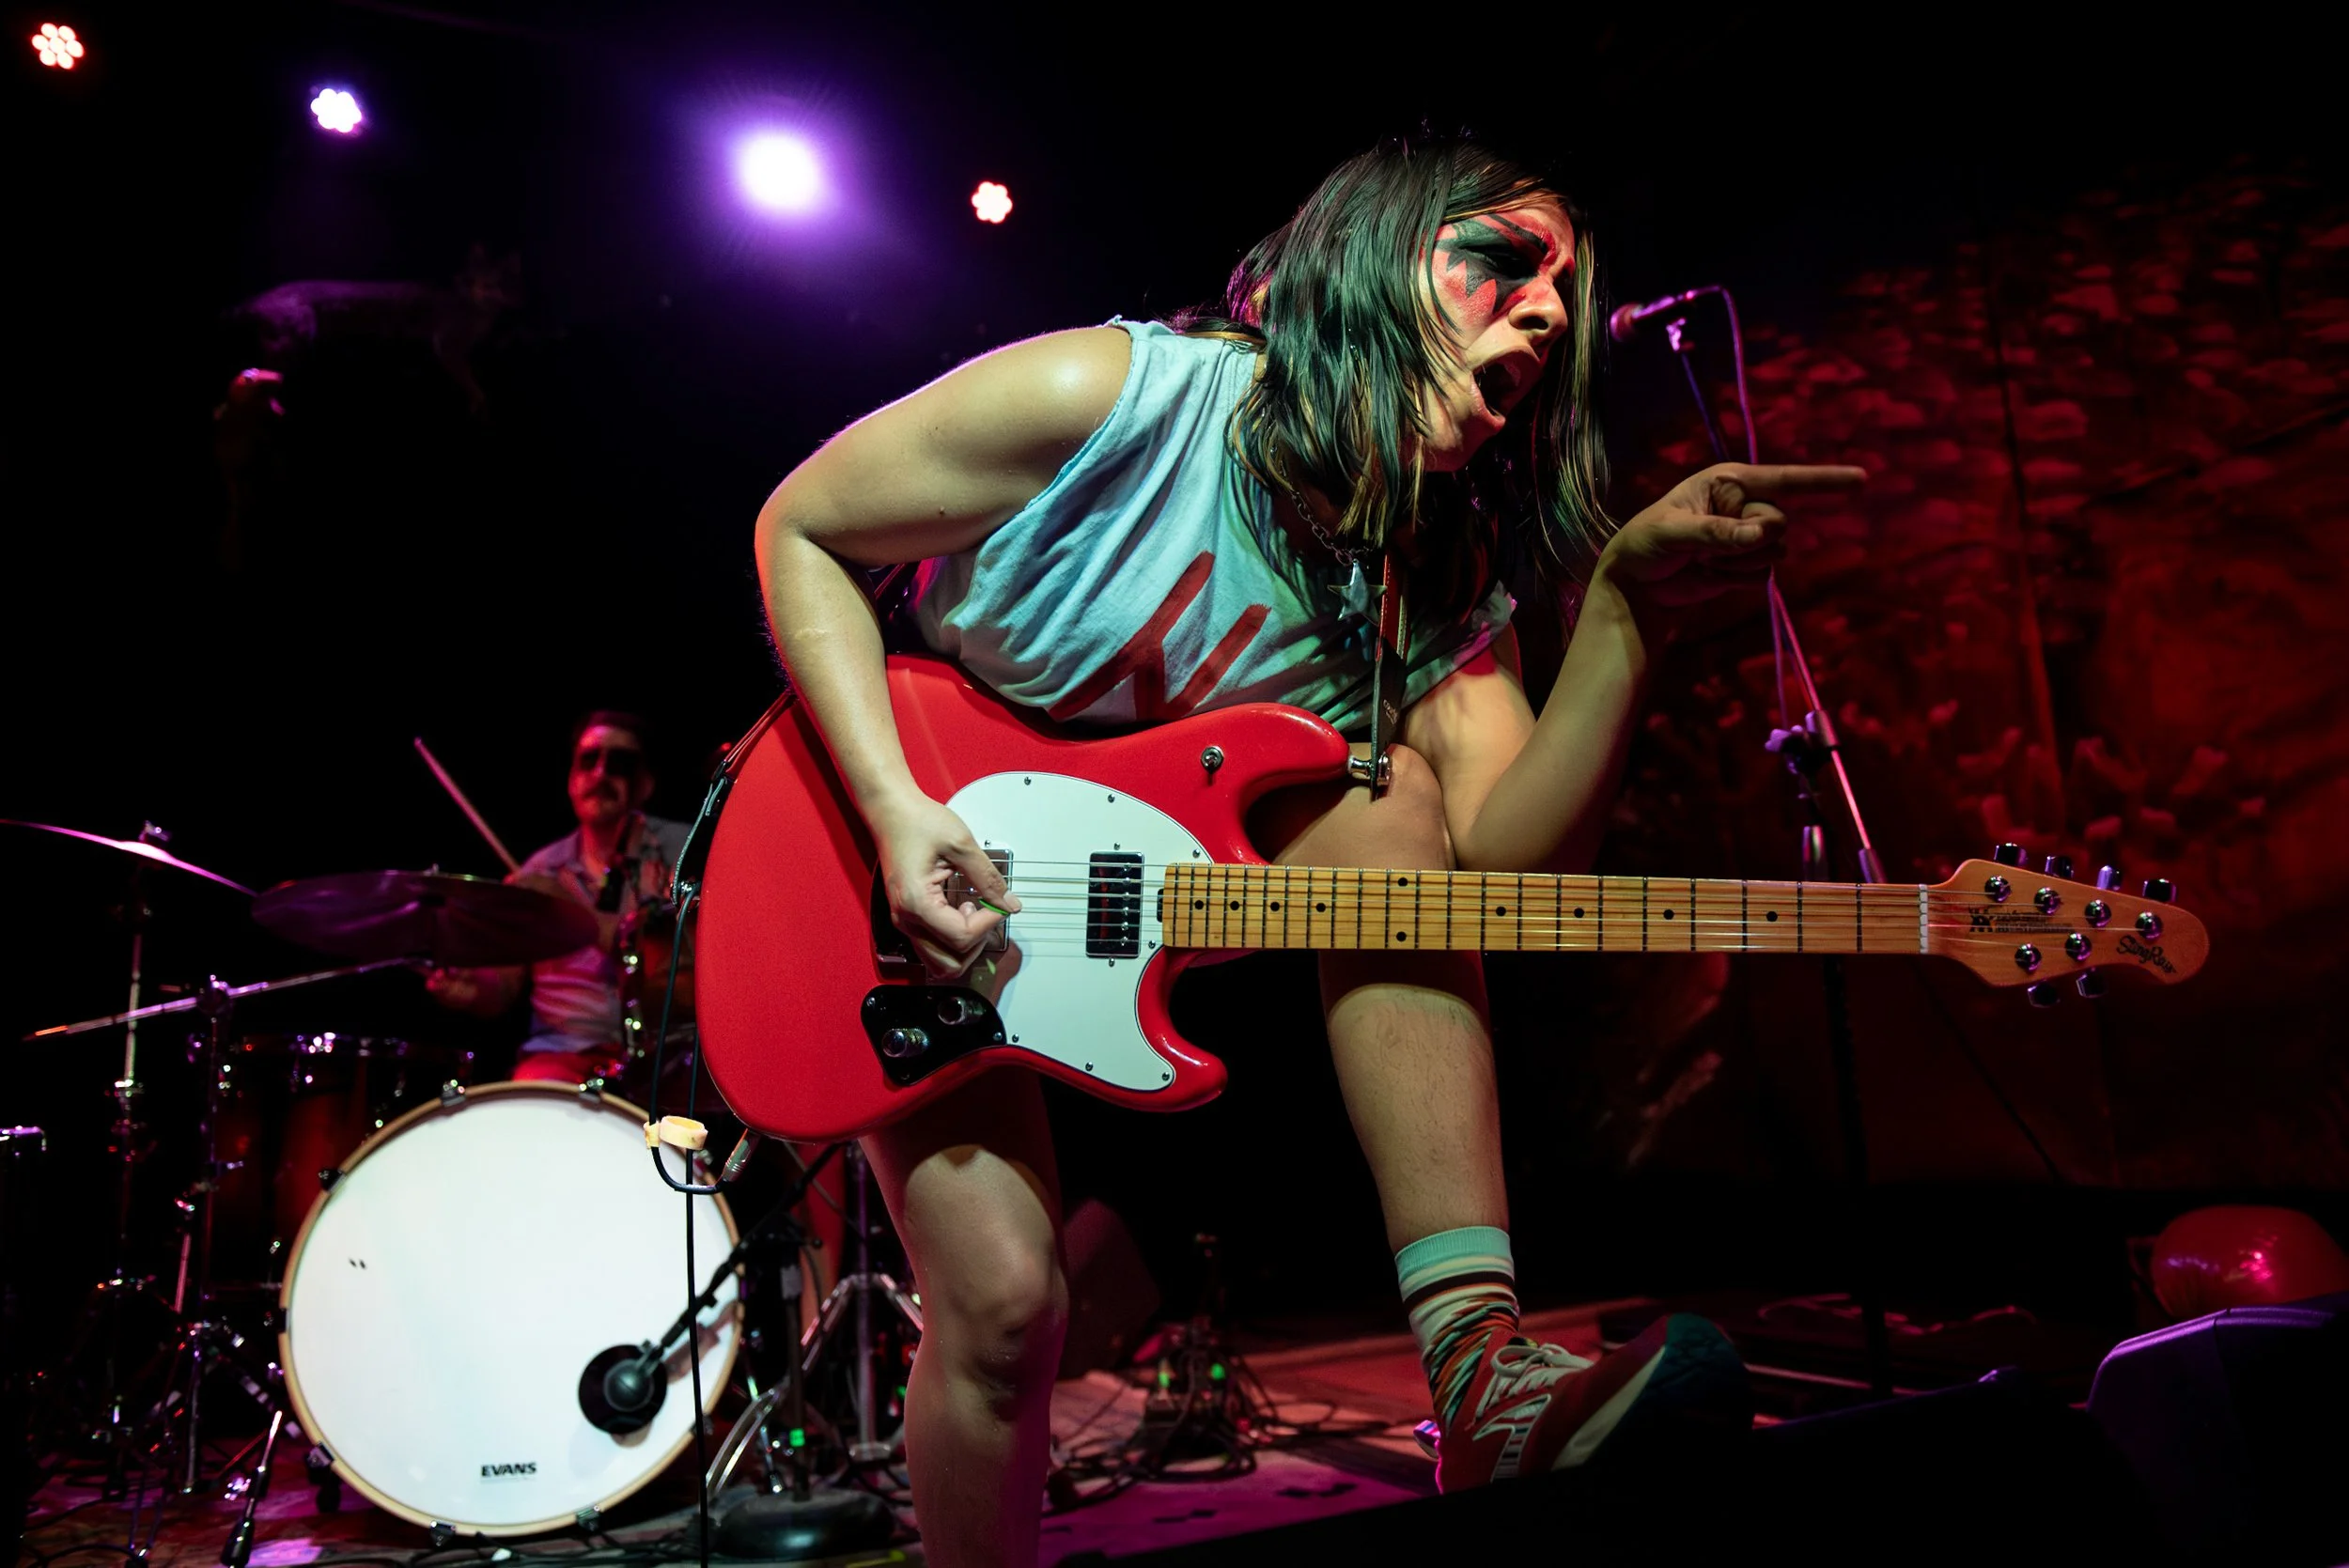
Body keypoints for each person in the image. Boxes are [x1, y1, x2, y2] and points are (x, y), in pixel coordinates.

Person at [754, 136, 1865, 1566]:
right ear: (1373, 252)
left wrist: (1622, 620)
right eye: (1503, 261)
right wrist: (901, 814)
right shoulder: (1116, 394)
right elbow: (806, 528)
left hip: (1109, 901)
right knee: (1004, 1316)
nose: (1542, 311)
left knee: (1394, 801)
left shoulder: (1435, 575)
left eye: (1563, 299)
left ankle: (1478, 1365)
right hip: (886, 868)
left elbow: (1505, 878)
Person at [428, 711, 691, 1083]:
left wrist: (570, 913)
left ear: (645, 784)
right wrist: (471, 991)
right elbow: (502, 989)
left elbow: (689, 970)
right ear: (571, 780)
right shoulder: (542, 871)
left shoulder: (683, 853)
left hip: (668, 1056)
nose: (601, 774)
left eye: (619, 763)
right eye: (589, 761)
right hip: (561, 1054)